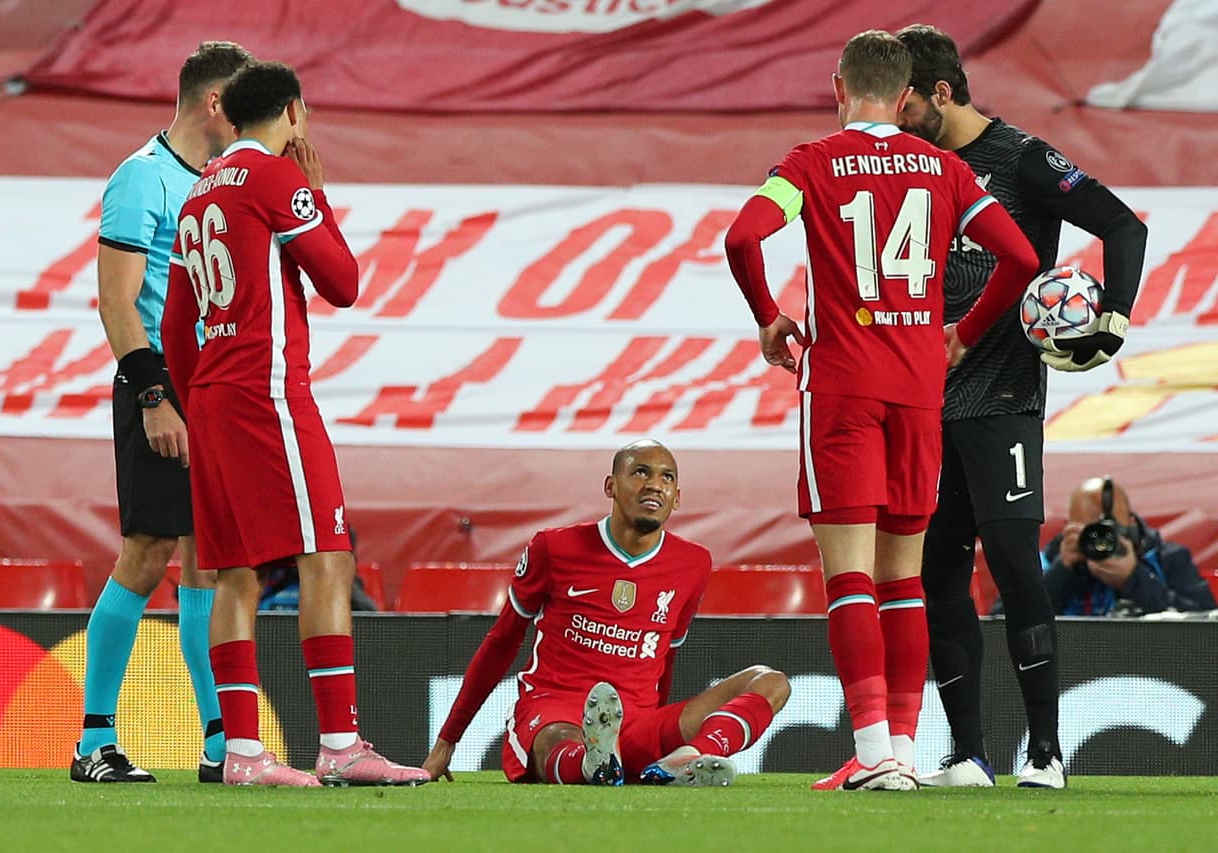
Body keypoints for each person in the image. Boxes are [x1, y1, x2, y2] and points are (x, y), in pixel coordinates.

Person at [724, 30, 1039, 791]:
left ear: (839, 88)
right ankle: (898, 749)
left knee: (850, 579)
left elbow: (742, 237)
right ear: (904, 98)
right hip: (919, 389)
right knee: (904, 580)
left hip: (843, 387)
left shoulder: (809, 163)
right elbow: (1023, 257)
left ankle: (871, 753)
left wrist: (768, 317)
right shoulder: (946, 168)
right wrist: (963, 333)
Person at [894, 24, 1149, 789]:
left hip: (1003, 395)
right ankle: (968, 754)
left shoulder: (1021, 159)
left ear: (942, 93)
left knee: (1013, 566)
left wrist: (1113, 318)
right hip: (924, 403)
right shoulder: (908, 167)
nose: (896, 121)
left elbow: (1122, 223)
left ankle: (1044, 752)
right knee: (939, 574)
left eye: (906, 105)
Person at [161, 60, 427, 787]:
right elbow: (344, 283)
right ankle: (340, 744)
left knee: (234, 574)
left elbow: (177, 325)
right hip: (267, 392)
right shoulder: (276, 179)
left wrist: (197, 401)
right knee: (327, 556)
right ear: (291, 112)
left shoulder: (200, 191)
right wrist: (314, 190)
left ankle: (243, 753)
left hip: (211, 396)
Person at [74, 41, 254, 785]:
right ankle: (93, 742)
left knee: (207, 561)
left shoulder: (222, 180)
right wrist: (152, 395)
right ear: (214, 102)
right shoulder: (141, 177)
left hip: (212, 389)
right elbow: (116, 302)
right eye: (242, 103)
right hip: (158, 387)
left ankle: (219, 742)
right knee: (147, 552)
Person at [423, 440, 791, 787]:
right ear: (610, 486)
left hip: (638, 722)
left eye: (666, 477)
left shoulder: (694, 563)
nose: (655, 484)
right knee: (557, 738)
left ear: (677, 498)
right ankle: (591, 763)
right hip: (555, 708)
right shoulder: (554, 547)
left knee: (771, 682)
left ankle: (688, 758)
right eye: (641, 472)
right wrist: (447, 740)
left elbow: (666, 656)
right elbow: (502, 641)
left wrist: (654, 732)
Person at [1039, 478, 1216, 617]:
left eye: (1110, 531)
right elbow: (1029, 616)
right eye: (1091, 531)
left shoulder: (1168, 558)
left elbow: (1204, 620)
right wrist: (1062, 570)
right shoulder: (1051, 558)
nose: (1101, 541)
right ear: (1070, 527)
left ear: (1131, 524)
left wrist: (1133, 578)